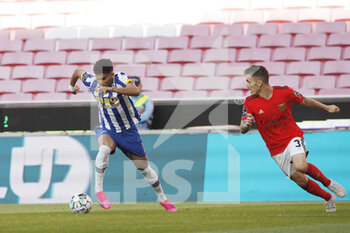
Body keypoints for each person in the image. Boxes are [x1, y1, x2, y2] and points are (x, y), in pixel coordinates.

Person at [67, 58, 176, 212]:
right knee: (104, 149)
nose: (100, 82)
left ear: (111, 74)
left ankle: (162, 198)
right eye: (98, 78)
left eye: (104, 78)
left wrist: (112, 89)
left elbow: (135, 91)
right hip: (107, 128)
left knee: (144, 169)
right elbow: (78, 71)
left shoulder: (121, 78)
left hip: (128, 131)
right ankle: (99, 191)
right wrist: (71, 87)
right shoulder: (93, 82)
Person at [240, 65, 346, 212]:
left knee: (301, 166)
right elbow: (243, 129)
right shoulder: (249, 102)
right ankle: (328, 198)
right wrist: (245, 125)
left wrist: (326, 108)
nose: (247, 85)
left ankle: (329, 183)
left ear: (259, 82)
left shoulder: (284, 92)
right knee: (300, 180)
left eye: (248, 81)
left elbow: (305, 100)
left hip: (292, 136)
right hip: (275, 148)